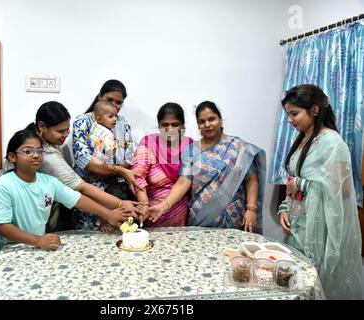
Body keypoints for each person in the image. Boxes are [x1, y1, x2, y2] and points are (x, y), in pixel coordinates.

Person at [277, 84, 363, 299]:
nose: (289, 120)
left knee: (312, 283)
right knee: (294, 281)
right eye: (288, 114)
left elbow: (341, 192)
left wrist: (300, 184)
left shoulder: (332, 143)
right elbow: (292, 181)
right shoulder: (304, 138)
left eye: (294, 113)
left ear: (315, 109)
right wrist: (283, 209)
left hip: (318, 229)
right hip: (297, 224)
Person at [0, 129, 132, 249]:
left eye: (39, 151)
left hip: (40, 246)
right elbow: (1, 226)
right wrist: (37, 240)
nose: (36, 155)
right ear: (12, 157)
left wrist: (108, 214)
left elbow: (78, 200)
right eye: (27, 151)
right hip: (12, 249)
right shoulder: (3, 184)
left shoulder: (48, 181)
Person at [148, 101, 266, 233]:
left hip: (233, 218)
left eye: (212, 119)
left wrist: (251, 209)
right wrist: (163, 206)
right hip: (200, 218)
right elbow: (183, 182)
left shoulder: (239, 147)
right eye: (202, 121)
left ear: (220, 119)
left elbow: (251, 178)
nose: (207, 125)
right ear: (198, 125)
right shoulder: (191, 150)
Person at [72, 79, 143, 230]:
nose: (114, 105)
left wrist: (109, 172)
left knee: (115, 235)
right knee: (87, 236)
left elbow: (129, 156)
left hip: (115, 190)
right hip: (89, 189)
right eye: (109, 100)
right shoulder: (82, 121)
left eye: (119, 102)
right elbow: (83, 158)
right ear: (100, 97)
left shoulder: (123, 123)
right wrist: (113, 169)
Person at [131, 103, 193, 227]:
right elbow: (137, 176)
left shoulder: (190, 145)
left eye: (175, 124)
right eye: (165, 125)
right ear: (159, 126)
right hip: (151, 215)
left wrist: (164, 206)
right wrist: (145, 206)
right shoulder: (149, 143)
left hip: (181, 219)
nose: (170, 129)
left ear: (183, 126)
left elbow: (186, 182)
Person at [89, 100, 118, 164]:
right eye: (110, 116)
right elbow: (111, 152)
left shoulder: (94, 126)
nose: (115, 119)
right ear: (99, 119)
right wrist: (116, 144)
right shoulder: (108, 134)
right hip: (104, 165)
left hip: (92, 161)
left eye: (116, 116)